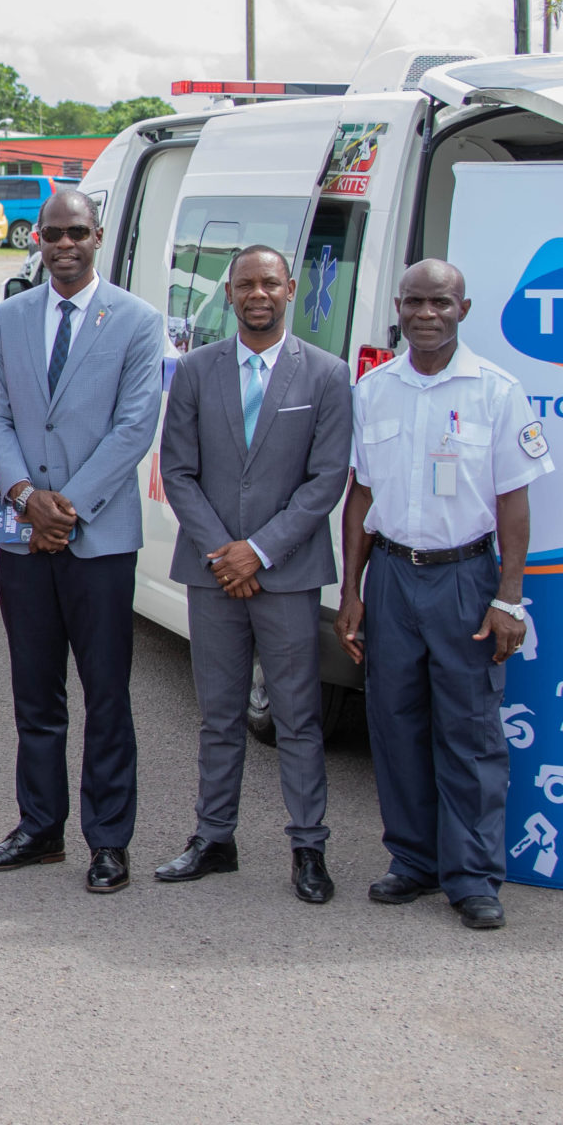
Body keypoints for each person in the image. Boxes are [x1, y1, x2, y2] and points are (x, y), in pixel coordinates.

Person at [336, 259, 549, 930]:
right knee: (394, 724)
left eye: (441, 302)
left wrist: (508, 597)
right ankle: (414, 860)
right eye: (415, 302)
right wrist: (351, 590)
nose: (427, 314)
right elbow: (360, 494)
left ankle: (474, 876)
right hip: (392, 576)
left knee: (470, 731)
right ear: (398, 307)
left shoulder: (497, 391)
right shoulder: (373, 389)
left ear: (464, 308)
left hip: (464, 578)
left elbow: (514, 503)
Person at [0, 190, 166, 893]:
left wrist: (70, 508)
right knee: (35, 693)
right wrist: (27, 496)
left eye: (76, 232)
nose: (63, 245)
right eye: (52, 233)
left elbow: (134, 427)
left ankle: (108, 840)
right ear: (38, 239)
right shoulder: (12, 316)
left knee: (107, 695)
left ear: (97, 236)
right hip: (25, 537)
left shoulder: (138, 321)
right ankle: (39, 828)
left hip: (100, 540)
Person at [152, 246, 353, 902]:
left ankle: (308, 847)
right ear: (230, 292)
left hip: (286, 574)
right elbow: (178, 471)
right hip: (213, 573)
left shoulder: (326, 374)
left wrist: (259, 551)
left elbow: (326, 480)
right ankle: (214, 838)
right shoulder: (196, 370)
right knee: (218, 715)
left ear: (290, 289)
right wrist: (225, 552)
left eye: (269, 282)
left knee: (297, 717)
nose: (257, 293)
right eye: (245, 284)